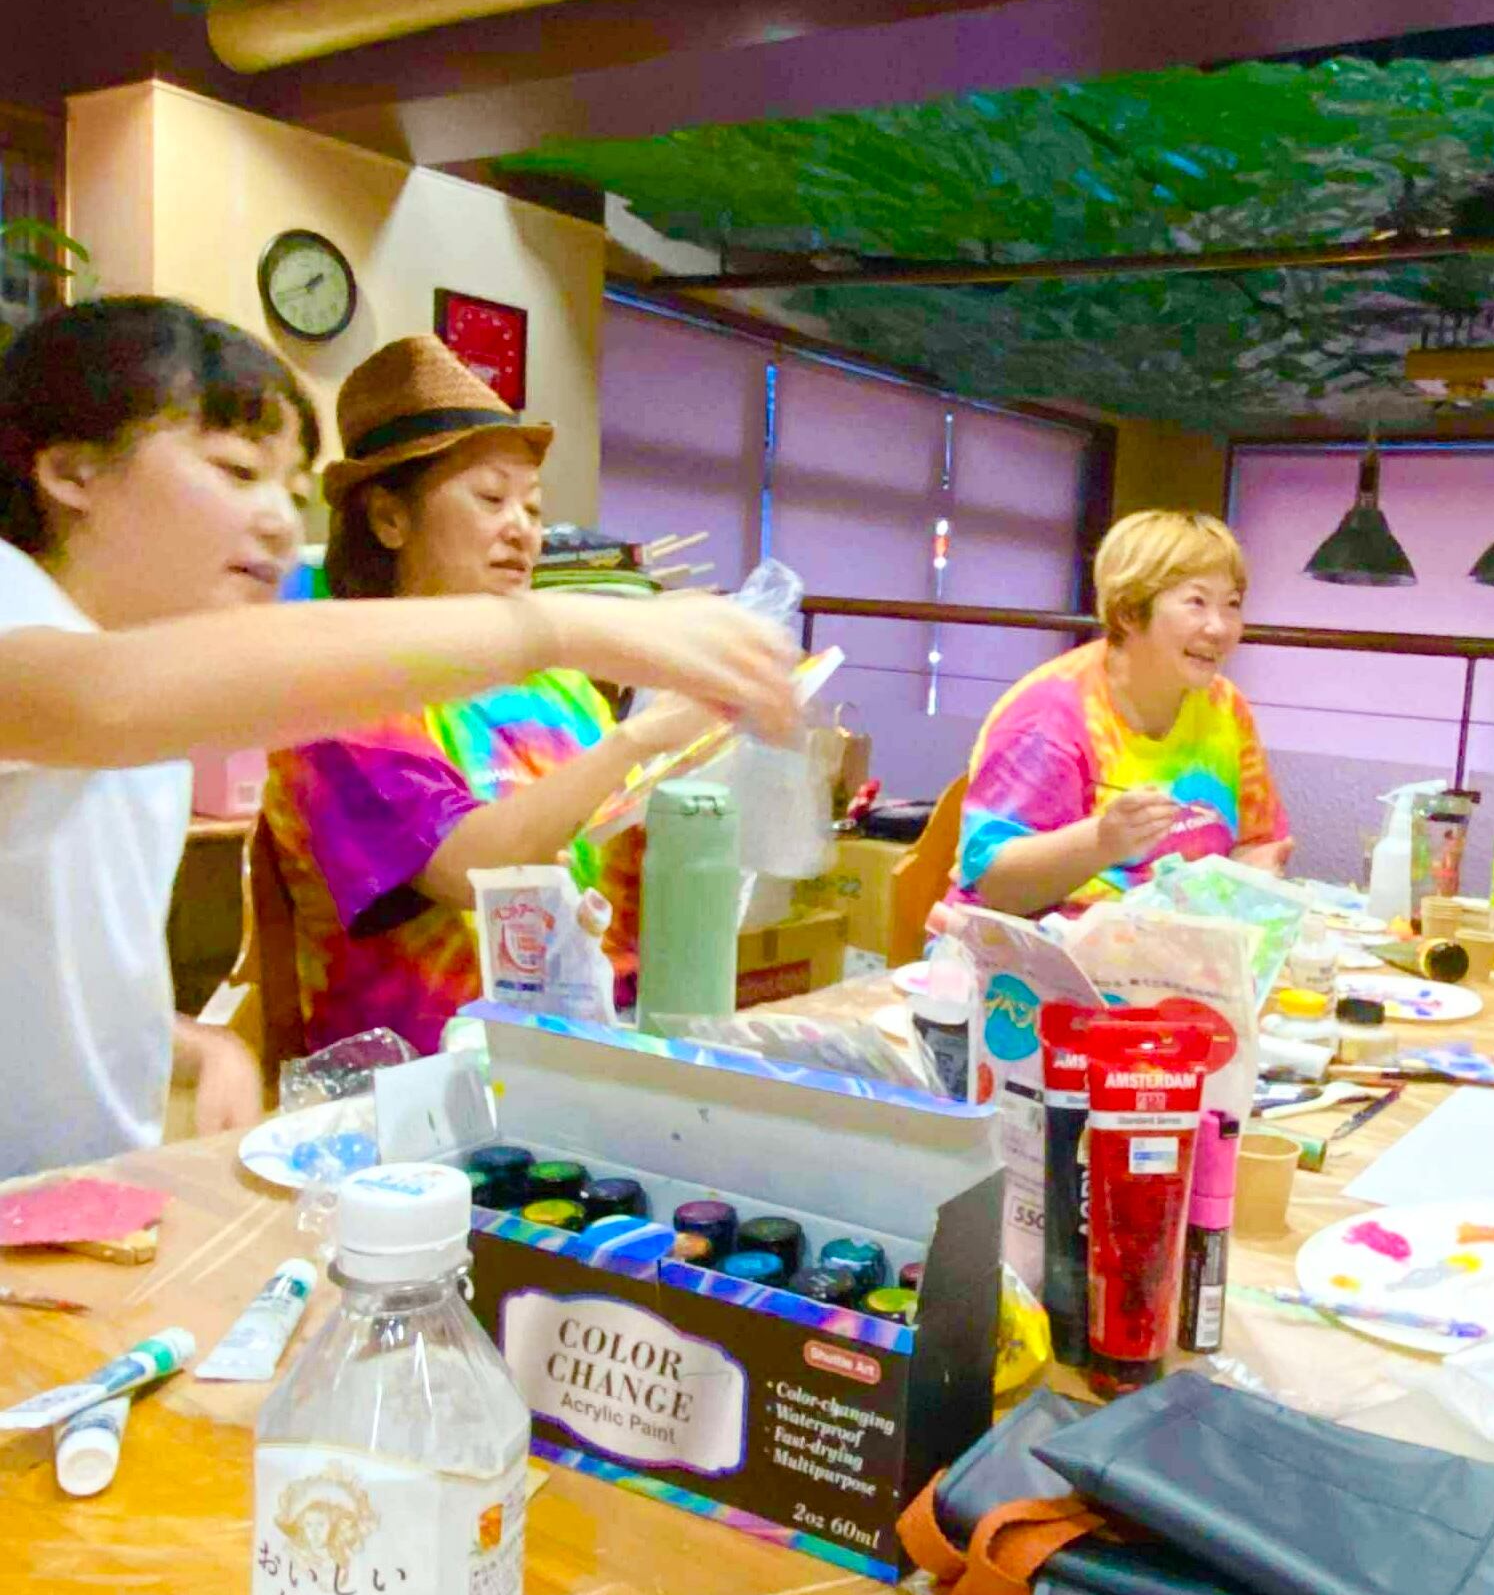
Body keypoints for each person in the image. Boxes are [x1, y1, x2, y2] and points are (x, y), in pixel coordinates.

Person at [0, 299, 794, 1180]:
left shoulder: (137, 683)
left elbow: (58, 971)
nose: (277, 522)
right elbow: (102, 696)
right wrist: (576, 630)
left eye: (288, 492)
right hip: (412, 1110)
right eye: (236, 471)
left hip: (75, 1196)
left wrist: (201, 1047)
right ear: (71, 470)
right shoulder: (33, 622)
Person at [263, 336, 755, 1055]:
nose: (522, 531)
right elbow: (475, 869)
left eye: (533, 507)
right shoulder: (341, 700)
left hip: (587, 1054)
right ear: (390, 519)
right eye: (492, 499)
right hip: (421, 1084)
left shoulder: (562, 688)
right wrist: (640, 738)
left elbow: (620, 885)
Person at [956, 509, 1291, 919]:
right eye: (1197, 602)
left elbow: (1257, 842)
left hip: (1174, 947)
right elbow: (993, 886)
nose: (1219, 628)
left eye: (1232, 604)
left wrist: (1253, 873)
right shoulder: (1050, 715)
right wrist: (1101, 842)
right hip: (1033, 950)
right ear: (1129, 612)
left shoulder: (1226, 707)